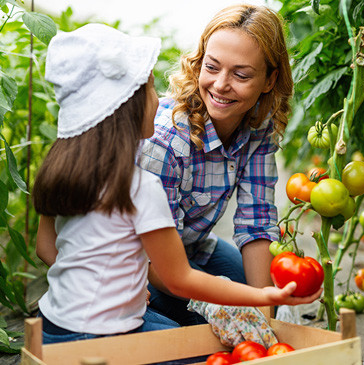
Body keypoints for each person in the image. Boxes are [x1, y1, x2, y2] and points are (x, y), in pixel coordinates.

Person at [33, 23, 321, 345]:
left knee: (246, 306)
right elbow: (179, 277)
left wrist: (262, 306)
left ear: (269, 80)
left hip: (53, 324)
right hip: (146, 273)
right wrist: (247, 299)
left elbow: (46, 246)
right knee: (203, 340)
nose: (161, 101)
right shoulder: (151, 170)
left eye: (241, 75)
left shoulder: (61, 166)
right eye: (151, 91)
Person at [138, 3, 295, 326]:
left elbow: (256, 221)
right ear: (198, 63)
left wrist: (263, 318)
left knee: (266, 298)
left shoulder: (258, 128)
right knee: (210, 327)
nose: (221, 85)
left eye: (241, 74)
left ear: (269, 80)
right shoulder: (167, 140)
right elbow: (155, 258)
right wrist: (233, 308)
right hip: (142, 263)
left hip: (193, 247)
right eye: (212, 67)